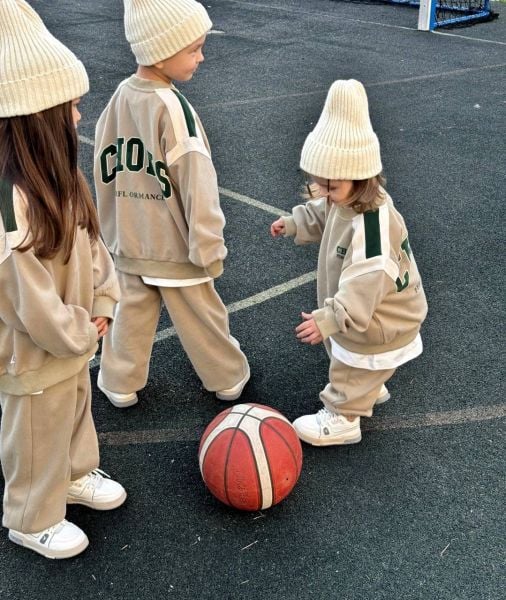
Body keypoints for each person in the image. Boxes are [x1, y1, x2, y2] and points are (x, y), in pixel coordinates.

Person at [0, 0, 126, 559]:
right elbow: (27, 299)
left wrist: (102, 300)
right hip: (34, 353)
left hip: (74, 339)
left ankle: (74, 475)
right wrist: (80, 328)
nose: (79, 118)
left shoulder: (61, 175)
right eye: (71, 107)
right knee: (34, 432)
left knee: (75, 410)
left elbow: (94, 247)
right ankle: (31, 514)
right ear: (34, 117)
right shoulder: (9, 204)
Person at [93, 0, 249, 408]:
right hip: (177, 250)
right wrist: (208, 244)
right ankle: (228, 377)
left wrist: (111, 230)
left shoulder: (119, 98)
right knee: (203, 319)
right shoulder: (175, 109)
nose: (201, 56)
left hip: (128, 243)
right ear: (162, 51)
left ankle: (118, 383)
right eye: (193, 48)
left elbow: (102, 168)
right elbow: (198, 181)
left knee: (128, 318)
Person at [271, 80, 428, 446]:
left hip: (380, 319)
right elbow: (324, 213)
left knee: (350, 361)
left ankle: (343, 417)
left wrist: (329, 318)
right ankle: (368, 388)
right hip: (375, 312)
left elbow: (363, 288)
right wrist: (296, 222)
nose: (324, 193)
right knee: (355, 357)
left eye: (331, 187)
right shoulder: (344, 198)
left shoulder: (372, 227)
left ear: (360, 177)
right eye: (317, 185)